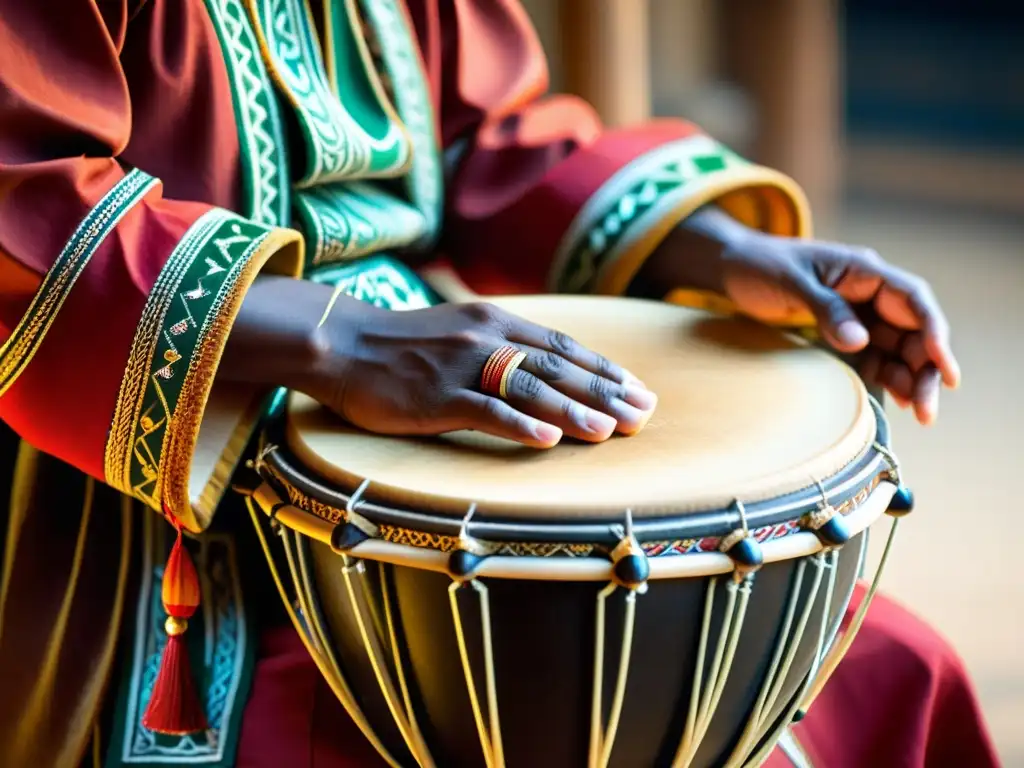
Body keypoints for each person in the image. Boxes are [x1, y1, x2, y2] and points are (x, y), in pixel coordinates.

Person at [0, 0, 998, 766]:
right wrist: (346, 344)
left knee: (893, 673)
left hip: (448, 397)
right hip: (157, 498)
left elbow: (484, 136)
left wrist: (717, 249)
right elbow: (24, 208)